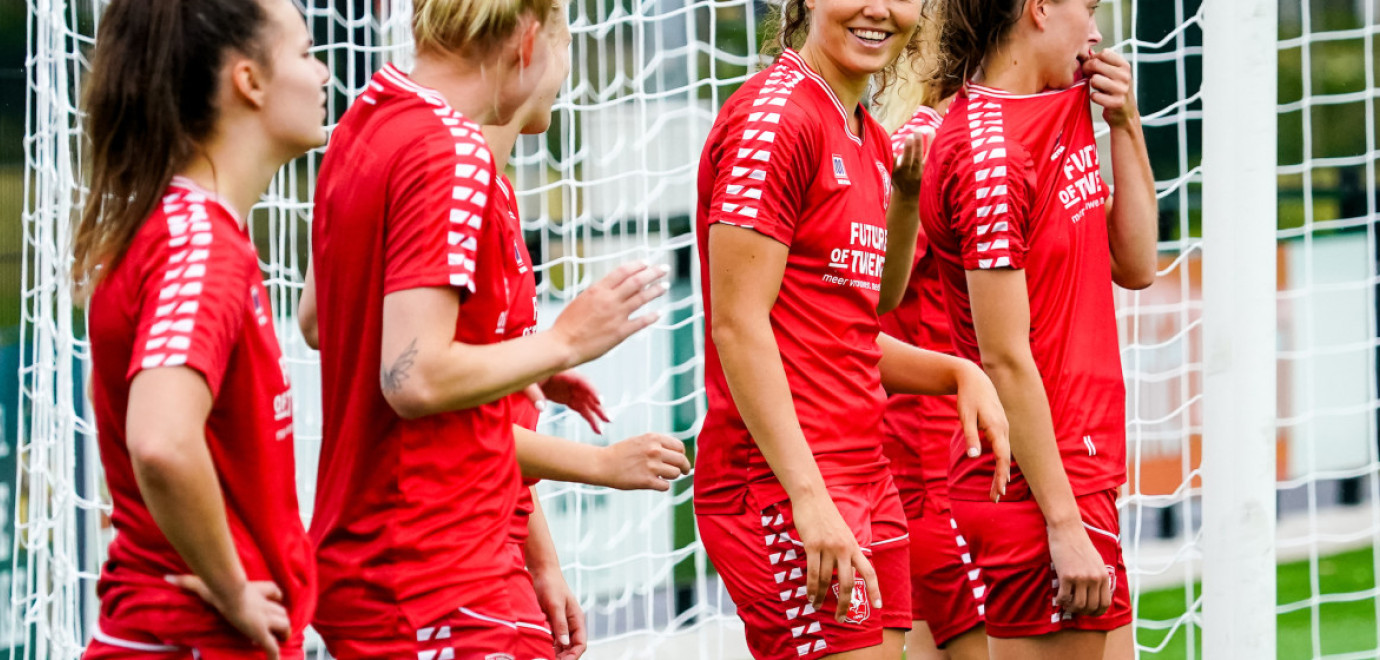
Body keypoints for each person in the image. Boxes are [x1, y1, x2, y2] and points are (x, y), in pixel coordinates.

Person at [304, 0, 669, 657]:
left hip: (399, 569)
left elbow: (320, 319)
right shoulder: (454, 153)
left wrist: (522, 360)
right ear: (529, 42)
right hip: (439, 577)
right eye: (565, 46)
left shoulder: (367, 118)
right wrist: (564, 341)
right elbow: (411, 378)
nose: (565, 73)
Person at [693, 0, 1013, 657]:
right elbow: (738, 324)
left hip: (866, 478)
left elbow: (860, 319)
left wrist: (955, 372)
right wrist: (808, 500)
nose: (879, 10)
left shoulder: (868, 136)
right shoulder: (776, 117)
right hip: (781, 486)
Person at [75, 0, 328, 658]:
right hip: (188, 638)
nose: (324, 71)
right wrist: (233, 583)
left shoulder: (178, 230)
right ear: (249, 81)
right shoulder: (198, 245)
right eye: (304, 53)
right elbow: (160, 442)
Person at [918, 0, 1157, 658]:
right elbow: (1004, 357)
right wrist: (1062, 521)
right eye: (1090, 7)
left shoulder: (1065, 101)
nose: (1098, 30)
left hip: (1077, 477)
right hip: (1035, 490)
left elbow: (1136, 266)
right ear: (1040, 8)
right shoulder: (989, 153)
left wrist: (1125, 125)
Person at [873, 41, 989, 660]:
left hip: (933, 475)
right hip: (934, 476)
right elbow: (861, 307)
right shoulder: (933, 141)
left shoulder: (972, 131)